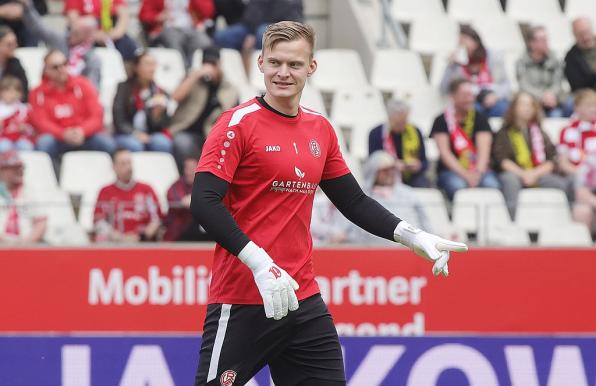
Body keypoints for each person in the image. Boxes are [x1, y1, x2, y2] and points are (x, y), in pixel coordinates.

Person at [190, 21, 467, 386]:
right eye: (274, 63)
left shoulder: (319, 128)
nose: (283, 73)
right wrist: (259, 263)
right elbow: (204, 203)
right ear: (260, 63)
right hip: (243, 297)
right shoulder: (237, 124)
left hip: (302, 299)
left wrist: (412, 235)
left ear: (312, 67)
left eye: (294, 64)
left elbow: (352, 200)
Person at [492, 92, 572, 217]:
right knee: (510, 181)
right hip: (515, 174)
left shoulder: (540, 132)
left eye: (530, 105)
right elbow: (502, 160)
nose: (527, 108)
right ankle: (511, 220)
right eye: (523, 104)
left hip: (538, 174)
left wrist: (534, 174)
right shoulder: (504, 132)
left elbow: (551, 159)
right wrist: (523, 174)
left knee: (562, 184)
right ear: (513, 108)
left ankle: (565, 220)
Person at [29, 50, 115, 161]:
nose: (61, 70)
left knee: (108, 144)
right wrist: (63, 134)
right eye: (55, 67)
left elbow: (97, 116)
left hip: (84, 135)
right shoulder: (37, 93)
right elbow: (41, 122)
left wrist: (82, 131)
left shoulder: (83, 84)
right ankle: (51, 178)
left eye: (64, 64)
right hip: (57, 138)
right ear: (46, 70)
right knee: (44, 144)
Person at [430, 78, 500, 200]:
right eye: (464, 95)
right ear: (453, 96)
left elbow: (484, 151)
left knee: (491, 185)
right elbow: (445, 154)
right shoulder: (441, 120)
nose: (469, 99)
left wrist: (477, 174)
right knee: (458, 187)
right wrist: (466, 175)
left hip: (479, 170)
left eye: (471, 95)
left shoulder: (480, 119)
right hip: (451, 171)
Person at [170, 45, 238, 168]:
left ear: (219, 64)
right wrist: (194, 76)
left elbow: (236, 119)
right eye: (206, 63)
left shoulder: (230, 89)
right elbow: (175, 97)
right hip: (187, 132)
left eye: (212, 64)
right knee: (181, 142)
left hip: (212, 136)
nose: (209, 67)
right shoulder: (192, 79)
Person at [355, 150, 431, 246]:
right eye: (385, 170)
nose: (390, 173)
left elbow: (424, 221)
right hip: (371, 251)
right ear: (374, 172)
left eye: (392, 169)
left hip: (409, 251)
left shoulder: (408, 193)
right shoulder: (362, 196)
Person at [21, 0, 102, 88]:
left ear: (88, 36)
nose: (72, 35)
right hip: (52, 89)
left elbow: (92, 88)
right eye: (72, 31)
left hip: (77, 94)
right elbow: (38, 28)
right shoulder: (60, 39)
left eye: (77, 34)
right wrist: (27, 6)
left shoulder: (92, 59)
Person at [93, 148, 162, 242]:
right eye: (123, 164)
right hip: (115, 244)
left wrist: (144, 235)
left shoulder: (146, 189)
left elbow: (157, 218)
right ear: (114, 167)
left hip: (143, 243)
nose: (128, 167)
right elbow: (99, 222)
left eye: (129, 163)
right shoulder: (105, 191)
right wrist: (119, 237)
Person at [440, 25, 510, 117]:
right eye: (459, 42)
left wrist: (495, 96)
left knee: (507, 110)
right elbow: (444, 89)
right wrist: (450, 66)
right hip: (470, 102)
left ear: (475, 42)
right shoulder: (456, 65)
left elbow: (505, 84)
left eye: (464, 41)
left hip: (493, 99)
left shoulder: (493, 58)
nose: (462, 45)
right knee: (470, 113)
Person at [214, 0, 303, 71]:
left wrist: (253, 34)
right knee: (222, 37)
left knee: (262, 34)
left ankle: (260, 72)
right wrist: (251, 32)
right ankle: (234, 73)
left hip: (278, 27)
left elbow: (292, 20)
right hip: (251, 26)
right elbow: (252, 14)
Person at [112, 50, 172, 153]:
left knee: (162, 143)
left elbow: (163, 125)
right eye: (148, 64)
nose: (152, 69)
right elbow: (119, 120)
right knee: (135, 146)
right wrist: (135, 134)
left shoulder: (160, 92)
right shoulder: (123, 88)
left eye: (154, 65)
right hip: (126, 134)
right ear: (136, 67)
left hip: (150, 134)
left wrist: (156, 115)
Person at [368, 98, 430, 188]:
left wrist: (418, 166)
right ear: (390, 118)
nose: (402, 125)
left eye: (404, 121)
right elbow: (373, 162)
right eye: (398, 122)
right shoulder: (377, 133)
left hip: (412, 176)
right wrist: (392, 165)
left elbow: (424, 162)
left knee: (423, 186)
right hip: (387, 176)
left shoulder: (415, 131)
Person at [139, 0, 214, 68]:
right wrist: (158, 17)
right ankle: (182, 71)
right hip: (167, 29)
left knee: (204, 41)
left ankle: (193, 70)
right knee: (172, 39)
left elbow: (208, 12)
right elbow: (143, 16)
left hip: (191, 29)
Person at [516, 25, 570, 118]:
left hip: (553, 101)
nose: (546, 43)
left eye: (546, 39)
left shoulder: (555, 60)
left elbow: (558, 83)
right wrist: (542, 97)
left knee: (563, 109)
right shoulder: (522, 62)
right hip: (532, 102)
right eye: (542, 40)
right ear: (531, 43)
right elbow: (524, 85)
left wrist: (550, 95)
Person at [64, 0, 139, 62]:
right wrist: (96, 35)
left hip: (112, 34)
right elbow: (74, 21)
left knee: (131, 48)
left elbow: (124, 16)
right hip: (86, 37)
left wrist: (114, 34)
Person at [0, 149, 46, 243]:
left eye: (21, 167)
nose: (20, 171)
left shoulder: (29, 190)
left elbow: (40, 222)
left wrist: (27, 243)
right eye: (14, 168)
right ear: (2, 171)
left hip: (26, 246)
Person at [163, 156, 211, 241]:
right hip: (179, 232)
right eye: (187, 168)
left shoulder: (207, 185)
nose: (189, 172)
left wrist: (195, 200)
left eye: (192, 168)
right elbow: (180, 201)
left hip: (202, 231)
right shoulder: (176, 186)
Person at [558, 89, 596, 179]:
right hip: (575, 175)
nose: (593, 109)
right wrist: (580, 173)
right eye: (589, 105)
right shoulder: (566, 130)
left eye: (595, 105)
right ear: (576, 107)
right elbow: (563, 163)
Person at [0, 76, 33, 151]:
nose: (12, 94)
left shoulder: (24, 109)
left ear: (20, 94)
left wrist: (25, 128)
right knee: (4, 147)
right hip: (3, 139)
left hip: (20, 139)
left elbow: (32, 129)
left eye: (15, 91)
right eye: (7, 90)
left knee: (27, 147)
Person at [564, 17, 596, 92]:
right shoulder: (571, 58)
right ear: (574, 35)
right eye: (580, 34)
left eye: (587, 32)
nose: (585, 37)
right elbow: (577, 87)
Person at [0, 26, 27, 101]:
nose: (15, 46)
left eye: (15, 42)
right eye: (9, 44)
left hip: (10, 107)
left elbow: (24, 91)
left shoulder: (16, 64)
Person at [573, 154, 596, 237]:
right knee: (581, 211)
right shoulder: (590, 162)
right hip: (592, 201)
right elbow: (581, 192)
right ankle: (584, 247)